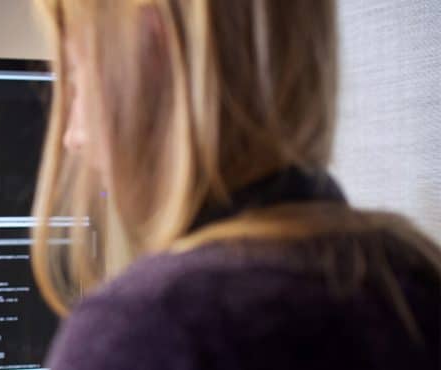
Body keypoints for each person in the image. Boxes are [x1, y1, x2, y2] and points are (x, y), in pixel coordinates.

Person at [29, 0, 440, 369]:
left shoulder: (143, 329)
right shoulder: (417, 279)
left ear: (153, 48)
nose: (72, 136)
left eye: (76, 77)